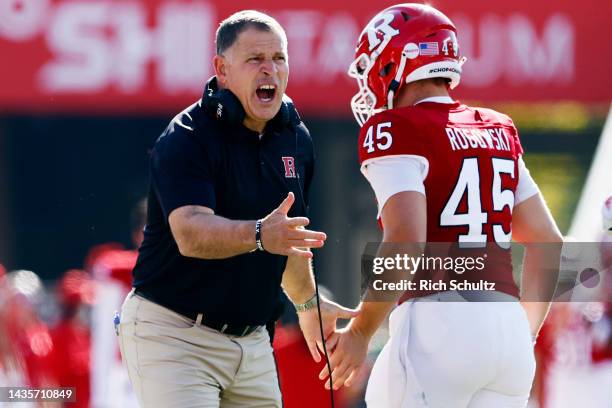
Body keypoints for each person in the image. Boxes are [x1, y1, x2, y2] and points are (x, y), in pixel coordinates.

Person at [320, 4, 563, 408]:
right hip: (508, 336)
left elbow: (406, 239)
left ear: (396, 60)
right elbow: (547, 241)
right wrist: (523, 333)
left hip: (439, 327)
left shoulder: (396, 130)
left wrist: (361, 331)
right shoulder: (498, 127)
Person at [117, 10, 357, 408]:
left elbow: (286, 239)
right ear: (222, 70)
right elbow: (191, 233)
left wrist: (309, 305)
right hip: (175, 334)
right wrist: (261, 234)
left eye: (279, 59)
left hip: (253, 343)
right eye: (255, 60)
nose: (270, 70)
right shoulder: (187, 137)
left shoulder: (295, 138)